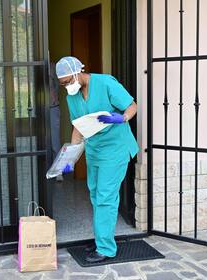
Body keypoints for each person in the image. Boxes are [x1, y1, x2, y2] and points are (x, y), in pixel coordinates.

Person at [55, 56, 139, 263]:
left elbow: (132, 106)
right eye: (63, 84)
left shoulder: (106, 82)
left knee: (105, 197)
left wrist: (122, 117)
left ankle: (106, 248)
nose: (67, 86)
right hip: (95, 150)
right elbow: (78, 127)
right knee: (94, 193)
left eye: (68, 81)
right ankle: (103, 237)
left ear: (78, 72)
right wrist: (70, 159)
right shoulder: (71, 97)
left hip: (116, 148)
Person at [49, 62, 63, 182]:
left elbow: (57, 86)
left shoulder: (52, 66)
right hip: (36, 108)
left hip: (52, 107)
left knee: (55, 141)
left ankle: (58, 171)